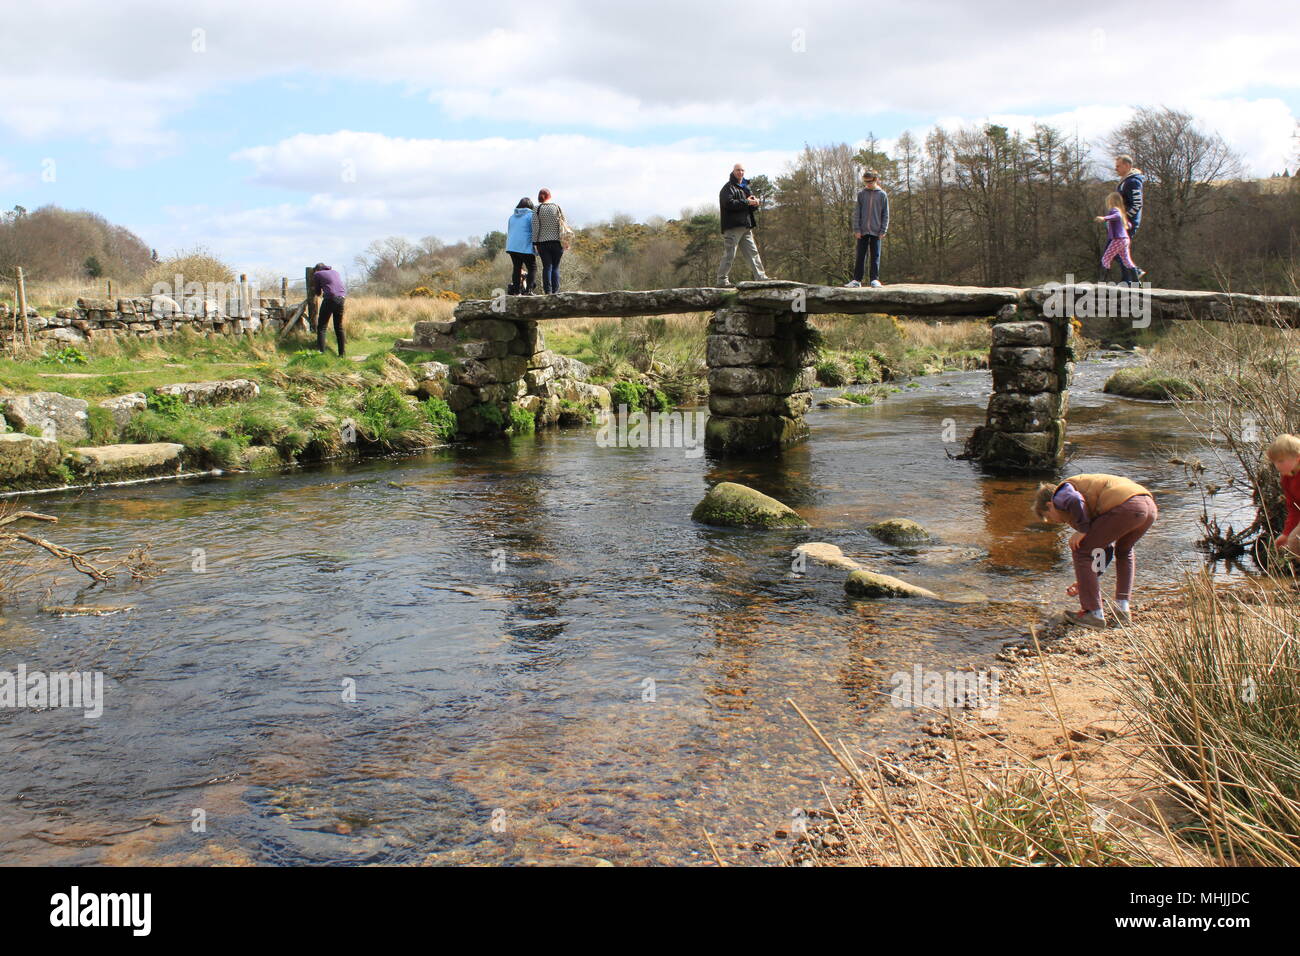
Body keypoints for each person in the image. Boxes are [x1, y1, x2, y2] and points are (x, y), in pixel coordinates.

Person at [1033, 473, 1158, 627]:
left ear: (1049, 505)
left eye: (1049, 517)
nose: (1054, 521)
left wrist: (1083, 530)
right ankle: (1122, 609)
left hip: (1127, 505)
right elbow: (1103, 550)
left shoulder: (1059, 495)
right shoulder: (1084, 508)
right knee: (1123, 551)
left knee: (1080, 549)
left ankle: (1093, 613)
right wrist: (1085, 582)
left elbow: (1074, 499)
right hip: (1148, 506)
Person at [716, 163, 769, 286]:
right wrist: (747, 202)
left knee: (753, 252)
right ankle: (722, 280)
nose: (740, 172)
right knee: (730, 254)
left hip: (746, 225)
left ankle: (761, 277)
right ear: (733, 172)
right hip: (733, 226)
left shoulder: (745, 187)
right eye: (738, 170)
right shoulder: (728, 188)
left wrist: (754, 204)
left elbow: (748, 206)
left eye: (742, 170)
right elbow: (728, 204)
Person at [846, 169, 889, 287]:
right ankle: (857, 280)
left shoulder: (882, 195)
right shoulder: (861, 194)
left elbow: (885, 214)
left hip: (877, 231)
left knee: (875, 255)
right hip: (862, 230)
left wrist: (883, 230)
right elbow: (857, 213)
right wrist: (857, 229)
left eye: (870, 181)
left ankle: (874, 279)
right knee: (860, 255)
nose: (868, 184)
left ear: (876, 180)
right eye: (866, 182)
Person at [531, 188, 571, 294]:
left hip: (543, 243)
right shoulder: (557, 207)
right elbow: (564, 225)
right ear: (549, 196)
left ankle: (548, 291)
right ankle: (556, 291)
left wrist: (535, 243)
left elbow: (535, 227)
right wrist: (566, 242)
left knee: (547, 267)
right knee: (556, 267)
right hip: (557, 242)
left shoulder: (537, 209)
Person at [1266, 434, 1300, 557]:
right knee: (1293, 543)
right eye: (1274, 461)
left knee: (1295, 541)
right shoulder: (1286, 479)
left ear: (1297, 458)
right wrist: (1286, 533)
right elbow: (1294, 508)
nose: (1277, 465)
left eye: (1281, 461)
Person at [1095, 192, 1141, 285]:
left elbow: (1117, 216)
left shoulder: (1115, 210)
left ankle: (1102, 282)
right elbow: (1129, 225)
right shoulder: (1121, 211)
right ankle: (1137, 282)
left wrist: (1105, 218)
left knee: (1106, 258)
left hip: (1118, 239)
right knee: (1127, 260)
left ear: (1112, 201)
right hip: (1125, 239)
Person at [1114, 154, 1147, 282]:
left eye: (1118, 166)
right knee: (1119, 252)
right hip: (1121, 223)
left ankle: (1131, 277)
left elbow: (1137, 204)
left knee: (1115, 251)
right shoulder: (1125, 181)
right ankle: (1129, 279)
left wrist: (1125, 218)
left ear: (1127, 166)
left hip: (1128, 223)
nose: (1116, 169)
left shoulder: (1133, 181)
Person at [309, 262, 346, 357]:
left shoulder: (317, 274)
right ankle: (342, 354)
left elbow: (317, 291)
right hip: (341, 298)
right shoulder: (335, 272)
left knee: (321, 327)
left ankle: (321, 353)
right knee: (339, 327)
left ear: (317, 269)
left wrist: (316, 292)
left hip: (330, 298)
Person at [506, 197, 537, 295]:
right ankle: (529, 290)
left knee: (517, 268)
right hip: (525, 246)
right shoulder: (531, 216)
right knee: (532, 268)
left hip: (512, 246)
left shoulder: (512, 217)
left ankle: (516, 292)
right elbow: (534, 231)